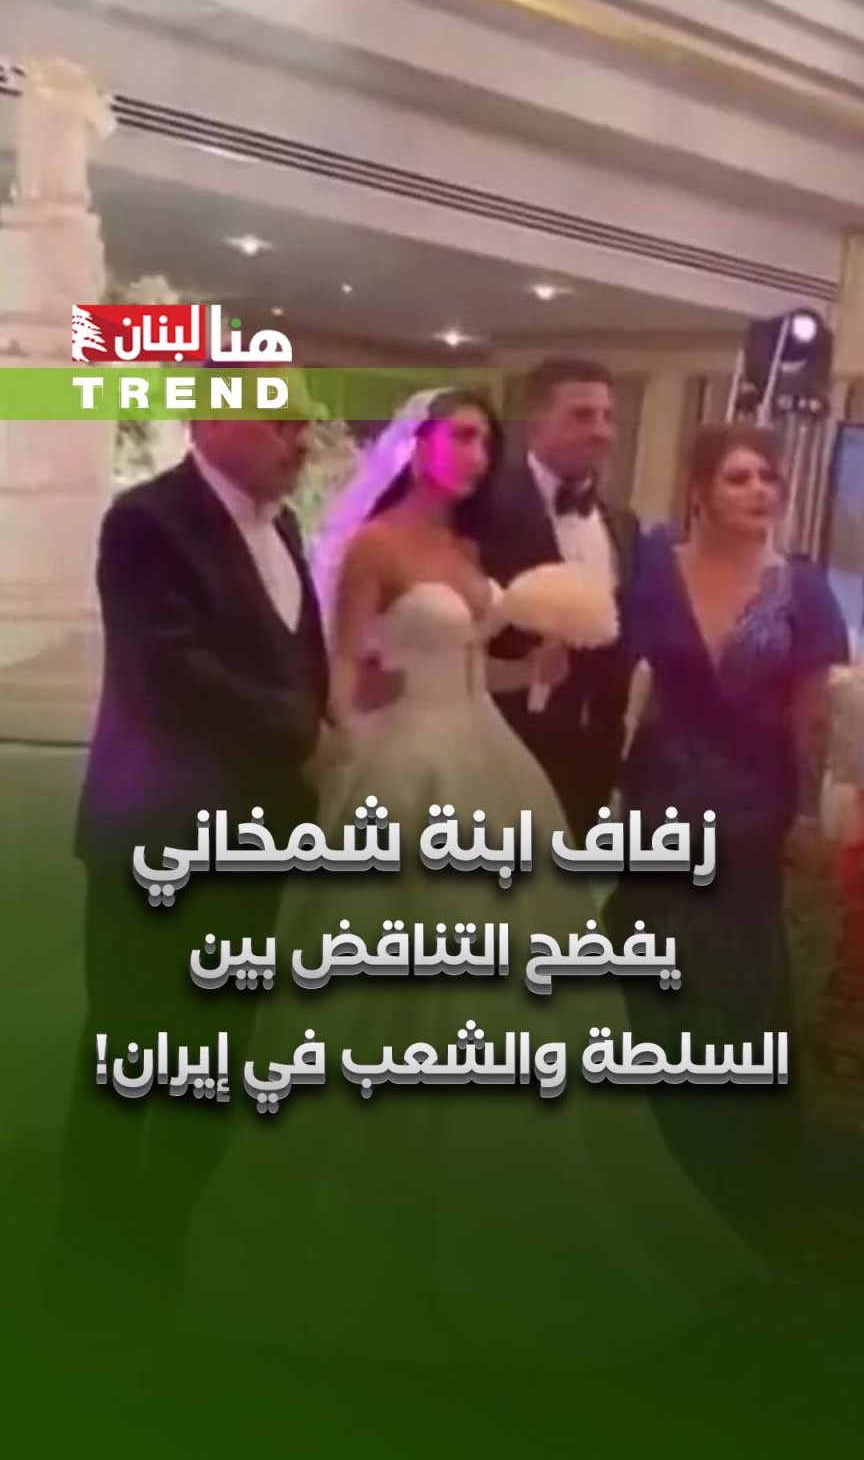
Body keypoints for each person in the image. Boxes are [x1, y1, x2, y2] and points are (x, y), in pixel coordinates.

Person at [205, 387, 764, 1376]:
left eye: (484, 439)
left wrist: (537, 662)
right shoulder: (375, 546)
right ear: (416, 444)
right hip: (408, 771)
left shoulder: (465, 551)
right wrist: (362, 737)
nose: (474, 451)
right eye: (459, 434)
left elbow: (472, 668)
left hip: (490, 758)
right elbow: (342, 680)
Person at [57, 368, 329, 1338]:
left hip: (256, 839)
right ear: (213, 419)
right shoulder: (146, 522)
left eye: (304, 423)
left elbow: (300, 660)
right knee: (131, 1038)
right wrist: (304, 733)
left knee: (217, 1046)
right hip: (158, 832)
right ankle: (86, 1248)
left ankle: (173, 1230)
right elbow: (172, 669)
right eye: (282, 421)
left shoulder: (284, 530)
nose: (301, 440)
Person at [607, 421, 849, 1252]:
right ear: (700, 489)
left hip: (751, 809)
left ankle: (736, 1183)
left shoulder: (803, 589)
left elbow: (812, 716)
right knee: (645, 978)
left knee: (737, 989)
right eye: (740, 477)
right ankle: (639, 1170)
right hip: (655, 801)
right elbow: (616, 678)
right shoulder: (650, 569)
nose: (760, 491)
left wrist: (808, 813)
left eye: (769, 478)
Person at [478, 359, 639, 842]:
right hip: (502, 748)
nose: (601, 431)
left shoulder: (623, 524)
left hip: (594, 756)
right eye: (582, 415)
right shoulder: (484, 509)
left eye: (608, 417)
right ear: (535, 424)